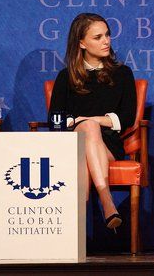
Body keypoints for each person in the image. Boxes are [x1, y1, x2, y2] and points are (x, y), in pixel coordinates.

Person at [48, 13, 136, 231]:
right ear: (81, 43)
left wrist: (89, 121)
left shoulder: (123, 74)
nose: (106, 41)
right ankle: (107, 200)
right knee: (85, 137)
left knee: (89, 128)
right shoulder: (65, 77)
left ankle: (72, 230)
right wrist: (85, 124)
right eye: (98, 37)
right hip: (72, 146)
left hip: (108, 145)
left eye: (107, 35)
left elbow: (126, 117)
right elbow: (54, 120)